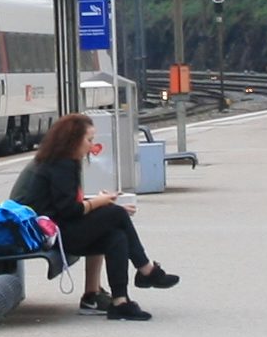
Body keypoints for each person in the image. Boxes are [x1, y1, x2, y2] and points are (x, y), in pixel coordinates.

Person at [12, 112, 178, 320]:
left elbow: (64, 205)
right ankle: (146, 270)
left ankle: (121, 301)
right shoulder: (62, 165)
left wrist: (100, 205)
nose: (92, 146)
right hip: (46, 235)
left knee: (115, 235)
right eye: (89, 140)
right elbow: (69, 210)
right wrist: (100, 203)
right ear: (72, 141)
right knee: (115, 214)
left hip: (49, 229)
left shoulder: (55, 161)